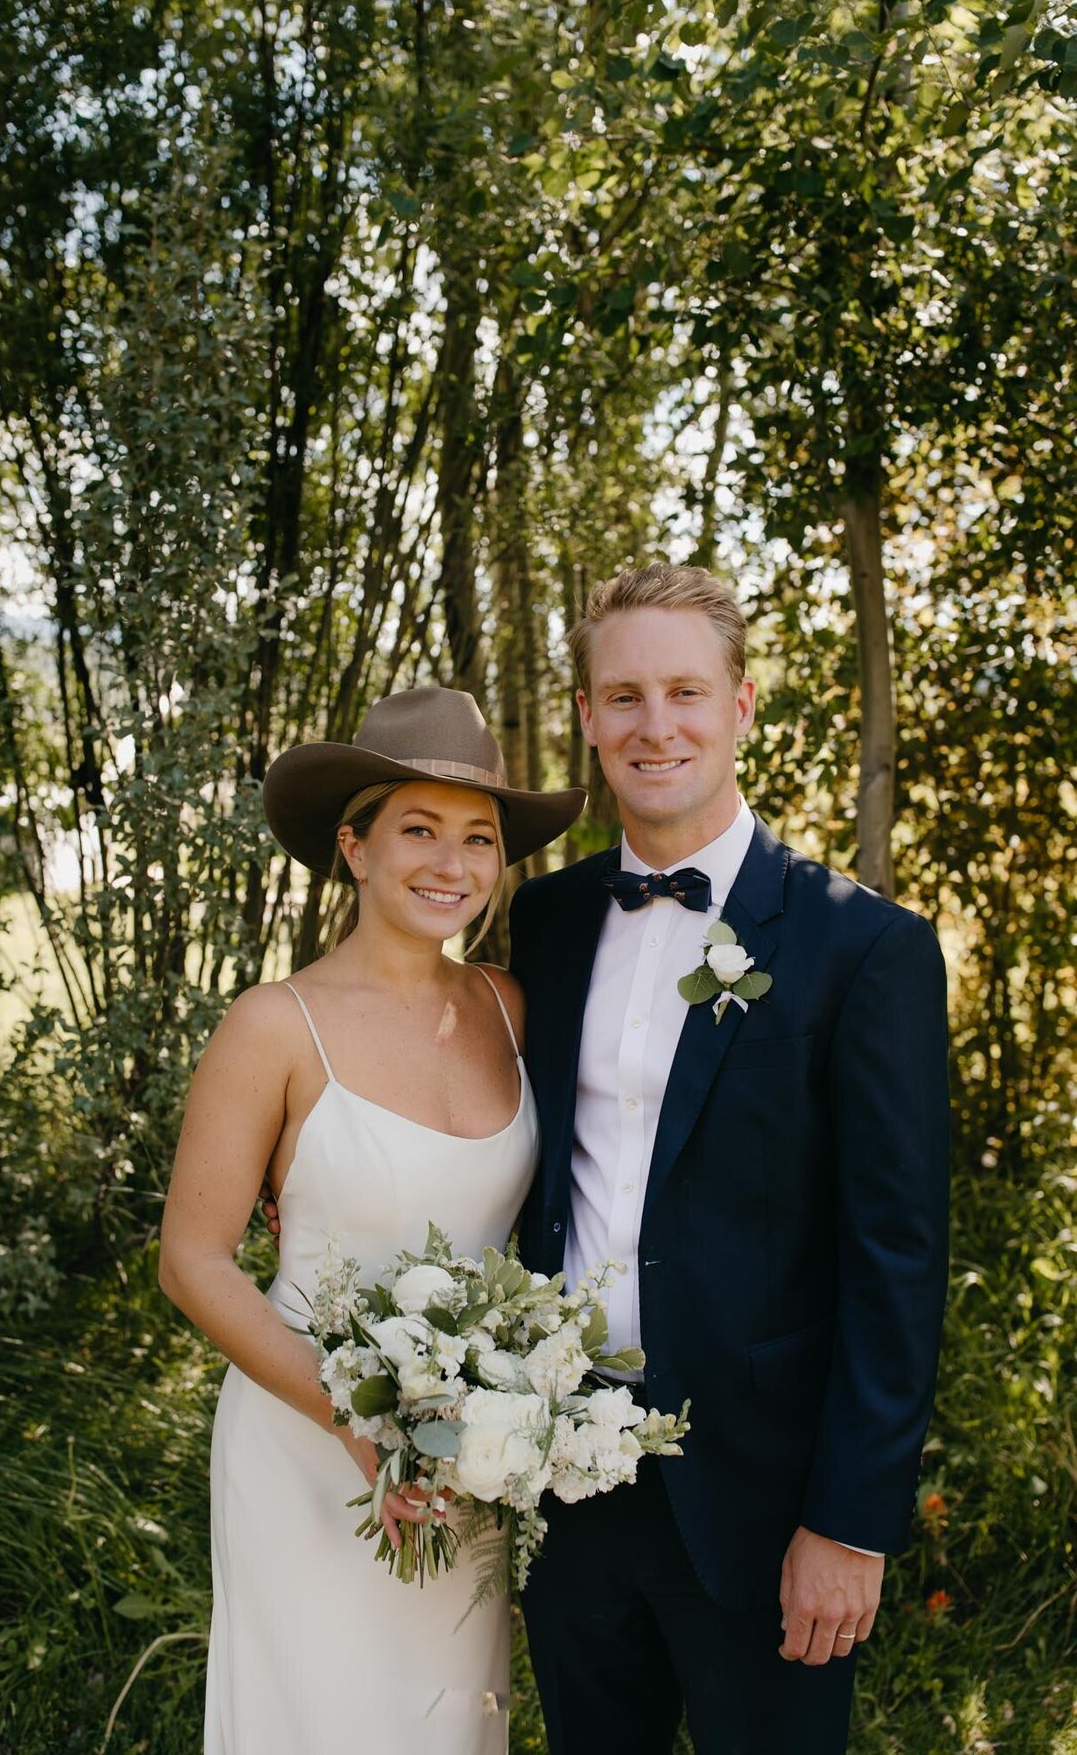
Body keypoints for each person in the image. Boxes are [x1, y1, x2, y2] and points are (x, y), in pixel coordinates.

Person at [509, 563, 950, 1754]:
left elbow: (897, 1261)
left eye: (686, 692)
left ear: (743, 706)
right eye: (625, 696)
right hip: (567, 1478)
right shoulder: (541, 927)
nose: (658, 726)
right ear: (591, 719)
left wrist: (851, 1526)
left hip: (767, 1504)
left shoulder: (866, 948)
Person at [158, 685, 584, 1755]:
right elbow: (194, 1262)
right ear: (354, 847)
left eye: (478, 838)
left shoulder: (506, 1006)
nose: (453, 864)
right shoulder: (273, 1026)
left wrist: (494, 1419)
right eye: (419, 830)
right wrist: (360, 1425)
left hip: (461, 1454)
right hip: (307, 1450)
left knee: (444, 1721)